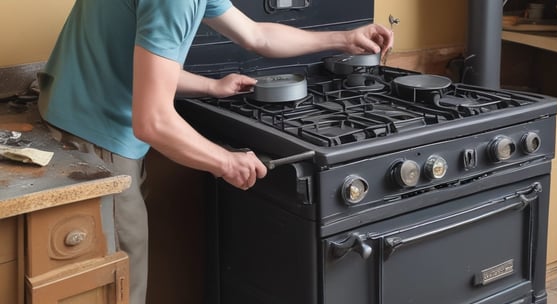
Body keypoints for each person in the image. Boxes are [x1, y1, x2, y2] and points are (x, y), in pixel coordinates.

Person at [37, 0, 393, 303]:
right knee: (121, 284)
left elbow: (257, 36)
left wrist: (344, 39)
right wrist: (225, 161)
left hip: (70, 113)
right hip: (96, 139)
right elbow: (154, 122)